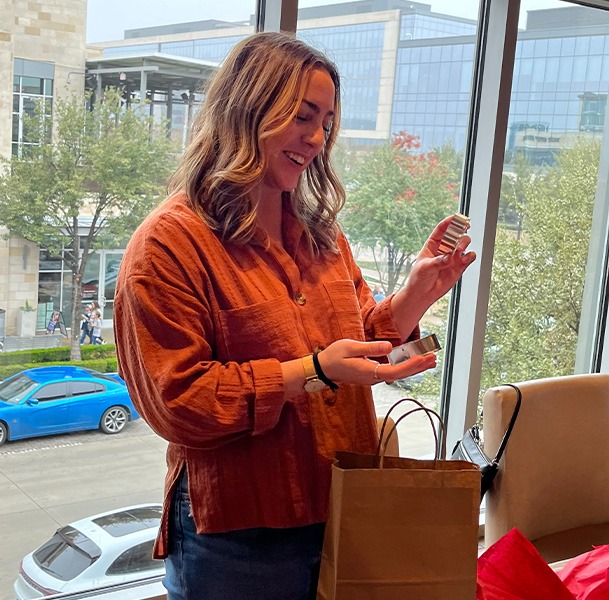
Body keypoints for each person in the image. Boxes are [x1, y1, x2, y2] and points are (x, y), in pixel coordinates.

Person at [113, 32, 475, 600]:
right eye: (302, 116)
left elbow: (358, 344)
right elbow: (177, 401)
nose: (316, 138)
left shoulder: (322, 236)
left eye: (327, 121)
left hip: (344, 502)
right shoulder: (169, 243)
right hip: (240, 536)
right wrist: (312, 372)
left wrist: (416, 296)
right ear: (246, 109)